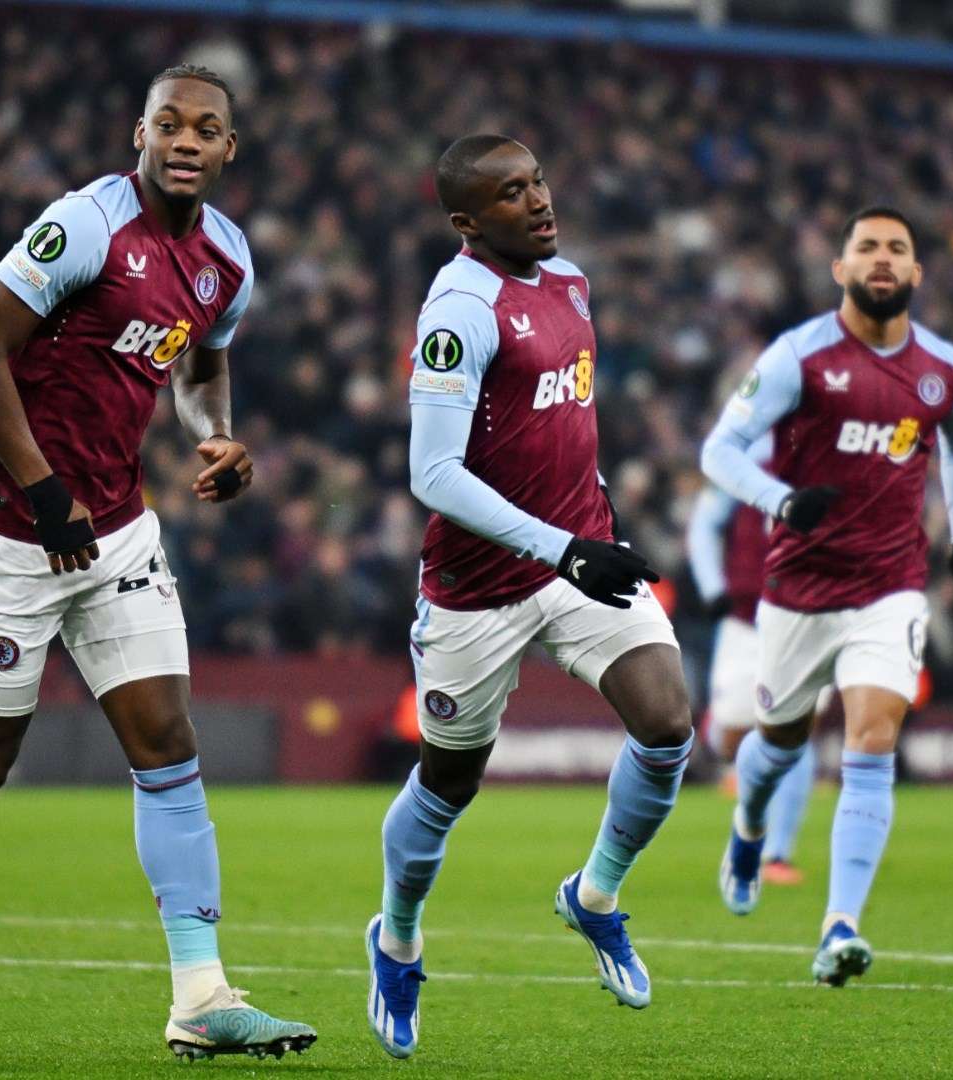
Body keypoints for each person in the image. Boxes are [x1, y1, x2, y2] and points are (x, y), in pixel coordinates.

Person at [0, 65, 315, 1062]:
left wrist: (216, 434)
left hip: (115, 527)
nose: (187, 140)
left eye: (208, 127)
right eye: (170, 122)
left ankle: (200, 995)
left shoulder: (227, 260)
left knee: (166, 741)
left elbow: (202, 361)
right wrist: (42, 491)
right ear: (140, 130)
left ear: (229, 148)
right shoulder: (83, 226)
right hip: (7, 525)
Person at [365, 134, 696, 1059]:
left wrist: (594, 528)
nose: (539, 200)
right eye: (511, 194)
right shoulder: (460, 310)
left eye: (539, 180)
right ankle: (396, 937)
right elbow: (431, 471)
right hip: (479, 587)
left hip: (580, 557)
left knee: (668, 723)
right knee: (448, 781)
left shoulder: (572, 283)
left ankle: (593, 897)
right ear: (468, 221)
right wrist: (562, 546)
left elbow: (562, 420)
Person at [701, 206, 953, 986]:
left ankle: (839, 926)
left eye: (898, 248)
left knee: (872, 736)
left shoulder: (950, 373)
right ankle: (750, 826)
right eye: (867, 247)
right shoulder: (799, 358)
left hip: (890, 589)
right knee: (777, 745)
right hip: (796, 592)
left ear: (918, 273)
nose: (883, 258)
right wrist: (780, 502)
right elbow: (718, 452)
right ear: (841, 269)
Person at [685, 433, 815, 884]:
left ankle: (777, 853)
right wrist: (712, 588)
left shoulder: (833, 452)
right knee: (734, 737)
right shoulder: (743, 458)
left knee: (795, 730)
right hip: (745, 617)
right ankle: (719, 736)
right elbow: (705, 523)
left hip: (805, 616)